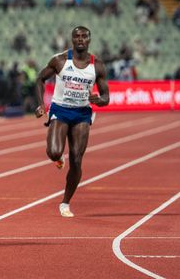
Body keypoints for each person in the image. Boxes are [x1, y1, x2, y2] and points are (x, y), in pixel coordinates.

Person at [35, 26, 109, 218]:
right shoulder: (60, 60)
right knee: (53, 152)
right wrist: (41, 104)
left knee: (76, 159)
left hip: (82, 114)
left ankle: (65, 203)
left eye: (84, 36)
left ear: (89, 40)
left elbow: (106, 96)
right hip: (60, 109)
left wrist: (99, 101)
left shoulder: (97, 65)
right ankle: (58, 158)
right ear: (72, 40)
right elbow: (40, 79)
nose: (81, 39)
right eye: (77, 36)